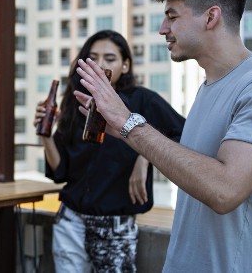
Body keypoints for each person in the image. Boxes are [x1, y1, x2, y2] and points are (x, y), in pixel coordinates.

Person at [74, 0, 252, 272]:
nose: (162, 29)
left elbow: (225, 190)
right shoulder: (208, 88)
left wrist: (129, 122)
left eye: (172, 16)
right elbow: (191, 165)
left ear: (211, 16)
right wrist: (120, 128)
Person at [35, 30, 184, 272]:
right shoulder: (76, 101)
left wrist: (144, 156)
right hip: (70, 220)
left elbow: (183, 134)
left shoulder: (142, 101)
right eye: (93, 58)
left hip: (115, 225)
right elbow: (60, 170)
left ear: (125, 66)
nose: (100, 65)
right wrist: (45, 135)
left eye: (110, 58)